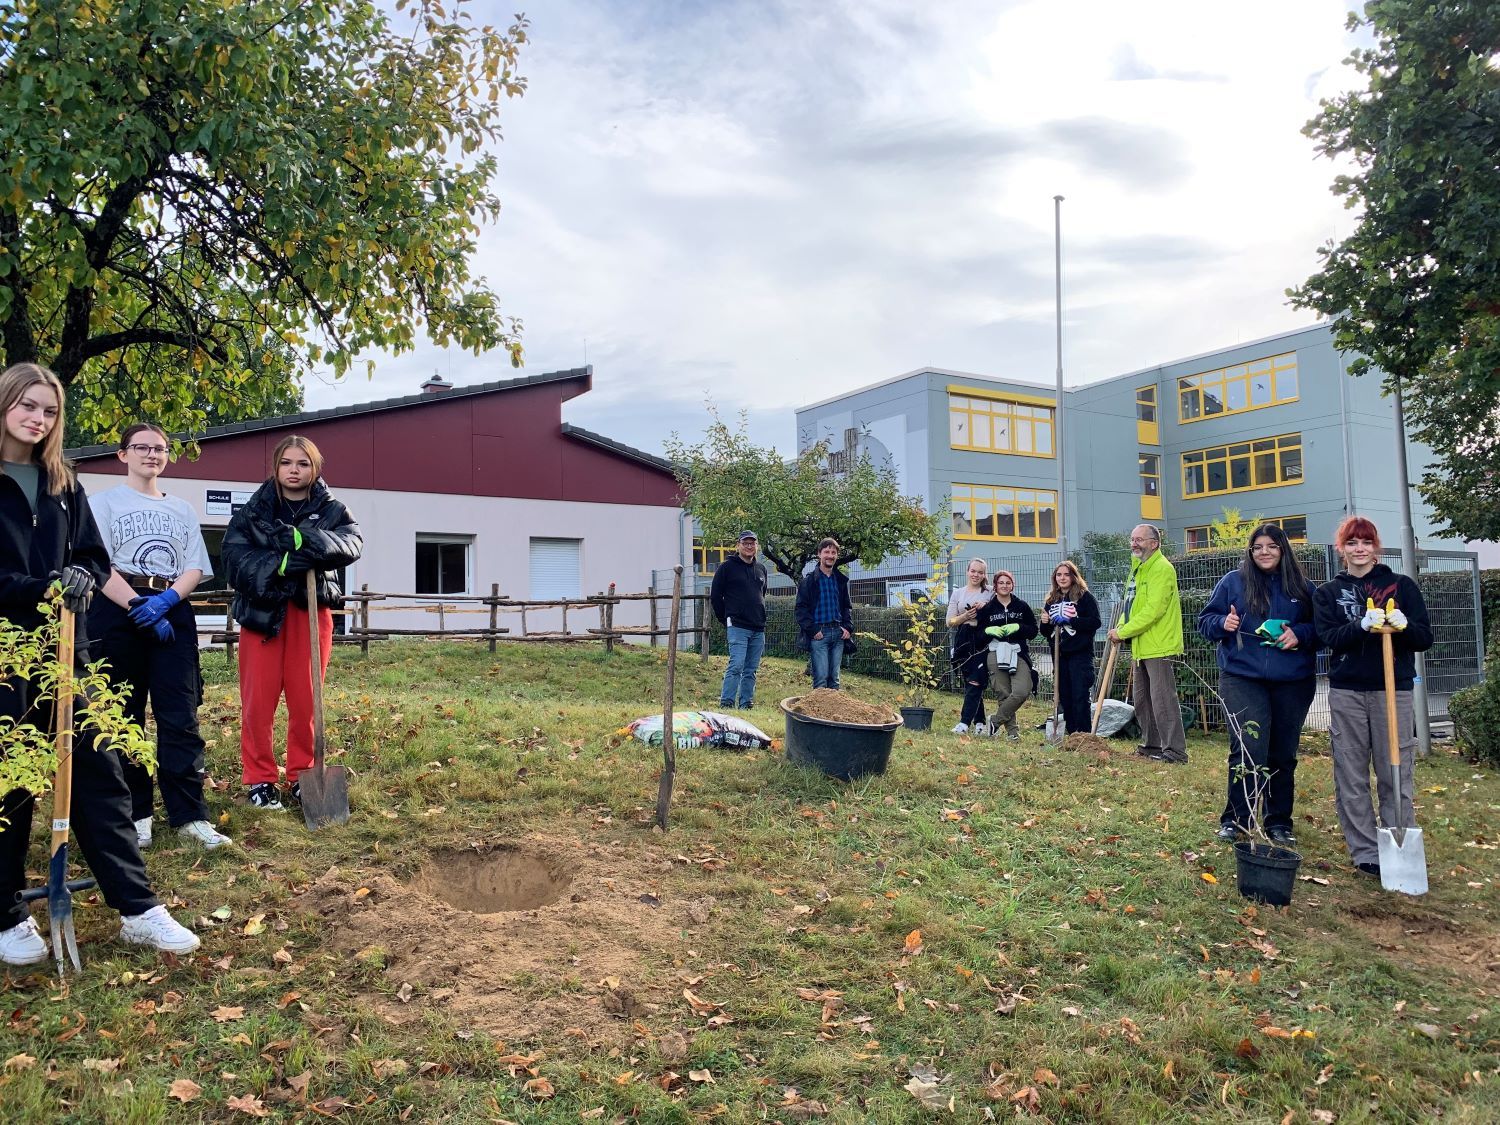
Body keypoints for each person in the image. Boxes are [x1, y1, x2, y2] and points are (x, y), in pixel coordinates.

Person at [0, 363, 199, 965]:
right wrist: (38, 587)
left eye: (50, 410)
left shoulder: (63, 483)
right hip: (6, 653)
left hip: (67, 651)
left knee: (98, 773)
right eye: (27, 405)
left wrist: (79, 575)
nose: (38, 419)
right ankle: (6, 913)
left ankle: (138, 907)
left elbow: (89, 553)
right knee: (10, 783)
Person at [88, 423, 230, 851]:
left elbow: (194, 566)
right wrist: (137, 606)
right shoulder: (103, 503)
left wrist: (166, 601)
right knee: (122, 714)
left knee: (180, 715)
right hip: (118, 611)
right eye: (142, 447)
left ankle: (190, 815)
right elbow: (98, 565)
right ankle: (136, 816)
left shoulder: (182, 509)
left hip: (172, 610)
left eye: (160, 448)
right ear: (123, 454)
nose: (152, 454)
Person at [221, 435, 362, 811]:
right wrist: (280, 564)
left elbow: (351, 543)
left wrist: (307, 540)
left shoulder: (333, 510)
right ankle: (260, 778)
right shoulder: (255, 511)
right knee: (257, 703)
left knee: (307, 700)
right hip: (261, 616)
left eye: (303, 463)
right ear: (276, 467)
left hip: (309, 613)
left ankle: (304, 774)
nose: (294, 470)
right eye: (287, 463)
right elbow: (233, 558)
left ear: (315, 468)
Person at [1312, 516, 1433, 878]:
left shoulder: (1402, 586)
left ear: (1375, 546)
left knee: (1395, 769)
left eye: (1366, 542)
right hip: (1348, 690)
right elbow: (1329, 638)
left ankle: (1398, 839)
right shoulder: (1328, 593)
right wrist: (1361, 625)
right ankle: (1366, 851)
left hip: (1393, 690)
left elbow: (1424, 638)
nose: (1359, 549)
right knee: (1351, 772)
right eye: (1352, 543)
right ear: (1342, 548)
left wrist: (1404, 627)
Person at [1198, 524, 1318, 845]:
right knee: (1248, 749)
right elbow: (1205, 622)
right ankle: (1237, 820)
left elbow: (1321, 629)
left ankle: (1278, 822)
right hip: (1242, 678)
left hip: (1293, 681)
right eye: (1258, 547)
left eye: (1271, 546)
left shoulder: (1303, 588)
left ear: (1283, 549)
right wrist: (1222, 623)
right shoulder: (1232, 583)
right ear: (1250, 552)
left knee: (1282, 752)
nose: (1264, 552)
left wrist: (1300, 634)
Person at [1109, 523, 1187, 763]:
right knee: (1143, 700)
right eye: (1132, 539)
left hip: (1158, 645)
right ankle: (1151, 745)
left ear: (1154, 543)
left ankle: (1175, 752)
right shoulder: (1137, 569)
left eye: (1139, 539)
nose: (1134, 544)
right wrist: (1121, 627)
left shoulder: (1162, 569)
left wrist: (1124, 632)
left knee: (1163, 700)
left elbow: (1153, 610)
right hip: (1141, 646)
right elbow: (1130, 605)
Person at [1038, 560, 1102, 738]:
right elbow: (1045, 632)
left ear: (1074, 576)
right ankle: (1072, 732)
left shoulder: (1084, 597)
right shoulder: (1052, 600)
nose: (1062, 578)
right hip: (1060, 655)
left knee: (1079, 694)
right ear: (1054, 578)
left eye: (1066, 574)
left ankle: (1083, 735)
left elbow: (1095, 622)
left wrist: (1071, 620)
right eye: (1059, 575)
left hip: (1080, 654)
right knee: (1065, 696)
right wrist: (1044, 622)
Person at [976, 570, 1038, 741]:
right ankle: (1012, 733)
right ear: (995, 586)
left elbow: (1033, 630)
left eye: (1008, 583)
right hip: (995, 653)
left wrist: (1019, 627)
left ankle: (995, 721)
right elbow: (978, 636)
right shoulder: (988, 609)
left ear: (1012, 585)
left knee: (1022, 691)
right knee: (1003, 693)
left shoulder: (1022, 606)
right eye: (1001, 583)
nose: (1004, 585)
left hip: (1018, 653)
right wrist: (988, 631)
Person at [710, 531, 768, 710]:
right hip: (737, 626)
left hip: (758, 627)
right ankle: (727, 702)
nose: (749, 546)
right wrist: (725, 618)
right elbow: (715, 596)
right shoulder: (726, 568)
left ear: (757, 546)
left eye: (752, 543)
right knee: (736, 665)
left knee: (751, 669)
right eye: (745, 543)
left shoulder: (761, 569)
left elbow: (762, 593)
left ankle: (746, 703)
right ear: (738, 545)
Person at [795, 538, 851, 690]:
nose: (830, 556)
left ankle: (834, 706)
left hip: (838, 633)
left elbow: (846, 607)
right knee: (821, 678)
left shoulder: (840, 580)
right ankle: (817, 706)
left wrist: (847, 627)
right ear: (819, 554)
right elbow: (801, 609)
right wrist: (813, 630)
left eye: (833, 552)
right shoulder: (809, 581)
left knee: (835, 679)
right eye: (827, 552)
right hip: (819, 634)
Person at [946, 558, 993, 734]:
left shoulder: (991, 592)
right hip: (963, 639)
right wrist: (965, 616)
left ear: (984, 575)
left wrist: (986, 606)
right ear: (967, 572)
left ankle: (964, 723)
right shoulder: (958, 593)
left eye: (980, 572)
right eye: (973, 571)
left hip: (982, 639)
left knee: (976, 679)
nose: (976, 575)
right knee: (971, 681)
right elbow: (950, 621)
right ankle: (980, 723)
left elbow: (999, 609)